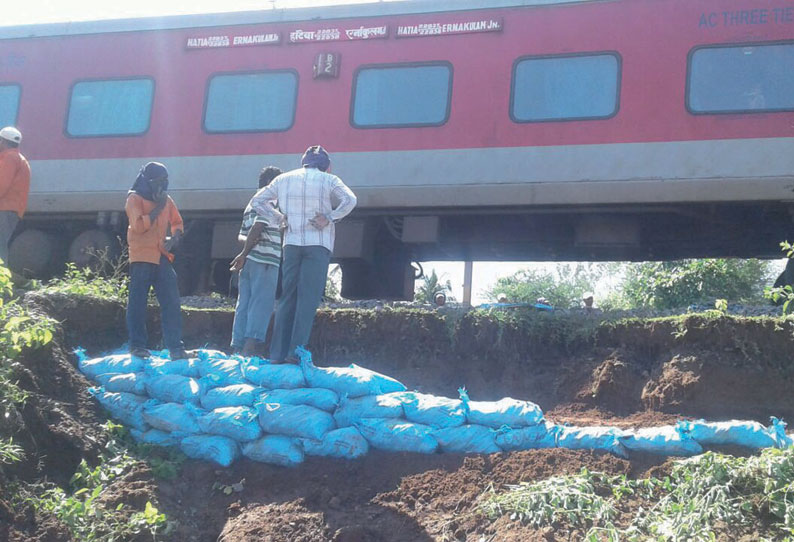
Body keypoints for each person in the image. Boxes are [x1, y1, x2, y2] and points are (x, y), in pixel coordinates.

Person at [251, 145, 356, 363]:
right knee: (307, 299)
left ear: (304, 162)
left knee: (287, 296)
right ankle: (295, 353)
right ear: (326, 166)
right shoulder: (330, 180)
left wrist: (279, 218)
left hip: (291, 243)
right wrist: (330, 216)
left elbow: (257, 201)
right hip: (318, 244)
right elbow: (350, 200)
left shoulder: (283, 179)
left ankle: (276, 354)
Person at [125, 162, 187, 360]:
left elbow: (177, 222)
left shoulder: (166, 200)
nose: (162, 186)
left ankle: (176, 348)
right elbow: (139, 227)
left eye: (164, 182)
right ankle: (137, 346)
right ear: (147, 181)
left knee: (171, 301)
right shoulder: (133, 199)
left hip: (160, 256)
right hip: (141, 257)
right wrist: (157, 208)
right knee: (137, 302)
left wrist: (175, 238)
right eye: (158, 182)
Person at [229, 166, 283, 356]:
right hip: (265, 260)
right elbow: (258, 227)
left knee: (244, 303)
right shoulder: (269, 201)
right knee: (261, 303)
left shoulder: (251, 203)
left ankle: (237, 346)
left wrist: (244, 253)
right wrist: (244, 253)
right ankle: (249, 348)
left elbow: (241, 235)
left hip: (250, 261)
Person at [0, 127, 30, 266]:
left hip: (4, 208)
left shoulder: (9, 158)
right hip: (10, 209)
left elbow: (2, 185)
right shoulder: (18, 158)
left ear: (2, 141)